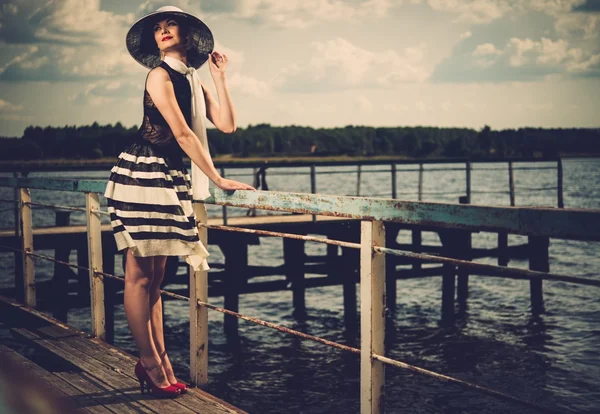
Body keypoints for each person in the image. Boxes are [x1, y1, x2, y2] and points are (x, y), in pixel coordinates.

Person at [103, 6, 254, 398]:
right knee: (138, 277)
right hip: (142, 175)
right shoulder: (159, 75)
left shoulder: (191, 77)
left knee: (155, 280)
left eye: (171, 25)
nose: (163, 30)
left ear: (188, 35)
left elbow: (226, 124)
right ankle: (151, 363)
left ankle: (160, 361)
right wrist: (218, 178)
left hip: (169, 179)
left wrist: (220, 79)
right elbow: (184, 134)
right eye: (158, 27)